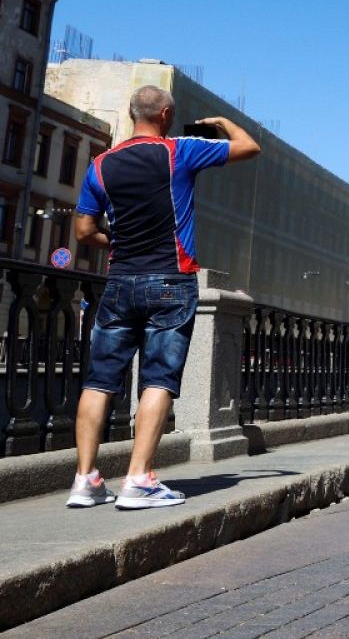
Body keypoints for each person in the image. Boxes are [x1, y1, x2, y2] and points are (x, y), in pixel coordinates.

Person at [68, 86, 260, 510]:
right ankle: (138, 479)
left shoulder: (100, 165)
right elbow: (249, 147)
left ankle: (85, 481)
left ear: (130, 113)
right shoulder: (180, 151)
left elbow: (83, 231)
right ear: (167, 114)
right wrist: (221, 125)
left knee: (99, 380)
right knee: (158, 379)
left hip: (119, 281)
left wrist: (117, 242)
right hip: (171, 281)